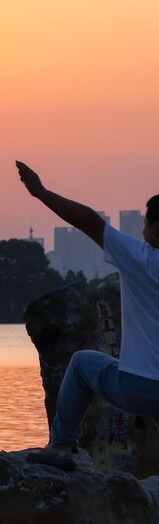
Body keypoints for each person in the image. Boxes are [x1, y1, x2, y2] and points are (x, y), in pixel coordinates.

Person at [16, 161, 159, 469]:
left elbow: (91, 222)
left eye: (146, 224)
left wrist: (41, 192)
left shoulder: (143, 260)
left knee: (82, 363)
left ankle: (61, 447)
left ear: (157, 229)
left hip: (139, 386)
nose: (142, 231)